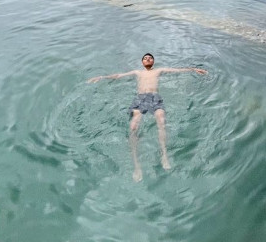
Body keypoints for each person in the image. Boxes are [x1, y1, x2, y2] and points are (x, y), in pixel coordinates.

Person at [87, 53, 207, 182]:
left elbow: (176, 70)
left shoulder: (159, 70)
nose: (148, 59)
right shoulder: (137, 72)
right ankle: (136, 166)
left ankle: (164, 155)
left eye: (150, 58)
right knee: (133, 126)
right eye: (145, 58)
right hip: (140, 98)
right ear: (142, 62)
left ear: (153, 61)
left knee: (161, 120)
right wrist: (102, 77)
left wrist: (193, 69)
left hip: (155, 97)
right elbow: (118, 76)